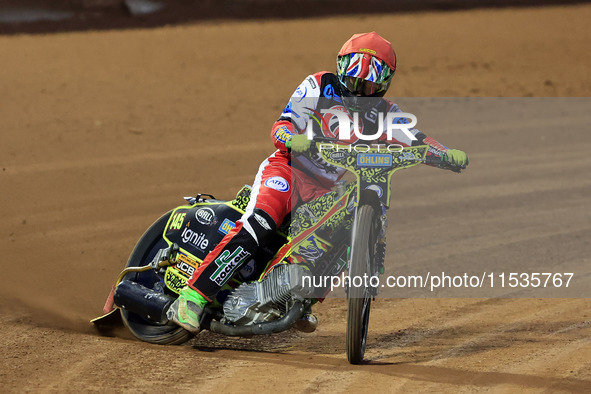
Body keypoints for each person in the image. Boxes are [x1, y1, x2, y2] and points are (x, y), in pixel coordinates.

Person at [167, 32, 469, 333]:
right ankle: (192, 296)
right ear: (341, 67)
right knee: (261, 223)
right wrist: (291, 139)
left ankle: (292, 298)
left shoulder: (386, 112)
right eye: (354, 77)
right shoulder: (318, 85)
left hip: (322, 190)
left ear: (385, 82)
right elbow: (282, 125)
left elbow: (414, 139)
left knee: (341, 230)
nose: (361, 89)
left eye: (371, 82)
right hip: (286, 170)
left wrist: (445, 154)